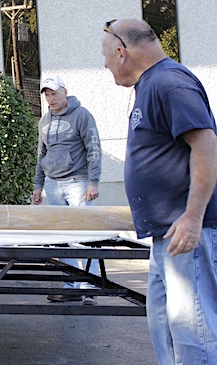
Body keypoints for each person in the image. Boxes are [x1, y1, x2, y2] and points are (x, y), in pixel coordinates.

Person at [102, 18, 217, 364]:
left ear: (121, 53)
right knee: (165, 325)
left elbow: (206, 144)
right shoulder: (151, 83)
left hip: (185, 232)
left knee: (193, 328)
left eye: (106, 57)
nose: (105, 65)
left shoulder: (169, 83)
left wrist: (193, 217)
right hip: (166, 233)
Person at [32, 75, 103, 306]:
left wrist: (94, 181)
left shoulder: (82, 116)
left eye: (54, 94)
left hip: (78, 183)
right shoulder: (44, 121)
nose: (50, 99)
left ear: (64, 92)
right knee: (63, 239)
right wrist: (38, 185)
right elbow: (41, 155)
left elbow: (93, 148)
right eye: (47, 95)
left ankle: (90, 287)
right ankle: (72, 287)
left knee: (84, 236)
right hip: (53, 185)